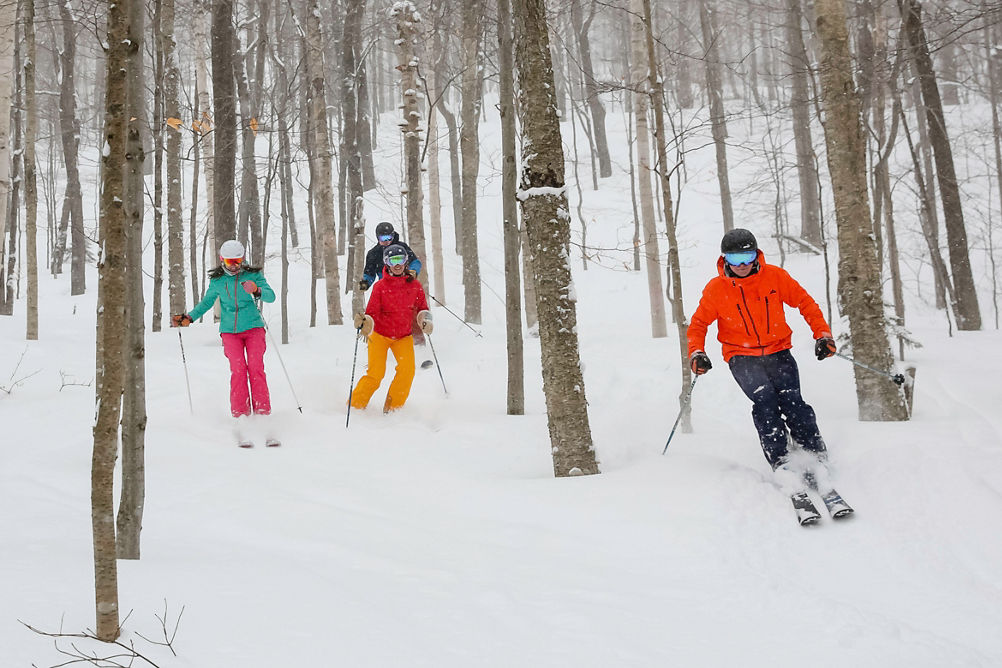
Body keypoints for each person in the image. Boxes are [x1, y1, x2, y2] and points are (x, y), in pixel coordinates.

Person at [686, 228, 837, 476]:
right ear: (725, 260)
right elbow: (698, 325)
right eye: (735, 260)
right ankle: (781, 459)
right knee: (765, 402)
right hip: (741, 356)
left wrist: (822, 335)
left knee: (793, 401)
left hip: (779, 351)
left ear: (757, 255)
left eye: (748, 257)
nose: (743, 265)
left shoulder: (774, 277)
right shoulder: (716, 289)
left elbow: (805, 302)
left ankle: (813, 450)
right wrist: (696, 352)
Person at [171, 239, 276, 420]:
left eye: (237, 261)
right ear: (222, 260)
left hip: (254, 328)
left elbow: (271, 296)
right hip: (229, 331)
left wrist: (257, 289)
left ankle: (262, 413)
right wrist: (190, 317)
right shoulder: (218, 280)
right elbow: (207, 302)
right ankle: (241, 414)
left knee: (256, 368)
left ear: (242, 259)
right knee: (238, 370)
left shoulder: (253, 276)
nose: (234, 266)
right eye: (229, 262)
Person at [351, 243, 433, 413]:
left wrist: (425, 320)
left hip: (403, 336)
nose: (397, 264)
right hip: (380, 335)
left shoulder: (415, 286)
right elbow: (371, 312)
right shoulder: (380, 287)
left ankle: (393, 409)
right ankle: (355, 406)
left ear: (406, 262)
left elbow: (423, 308)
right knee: (376, 374)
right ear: (386, 262)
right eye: (393, 260)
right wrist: (365, 323)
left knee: (407, 371)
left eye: (401, 260)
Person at [359, 222, 421, 291]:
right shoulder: (373, 253)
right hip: (386, 288)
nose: (387, 241)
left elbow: (415, 262)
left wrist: (413, 271)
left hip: (404, 284)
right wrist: (366, 282)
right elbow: (369, 272)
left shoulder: (402, 247)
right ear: (378, 238)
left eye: (389, 237)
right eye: (384, 238)